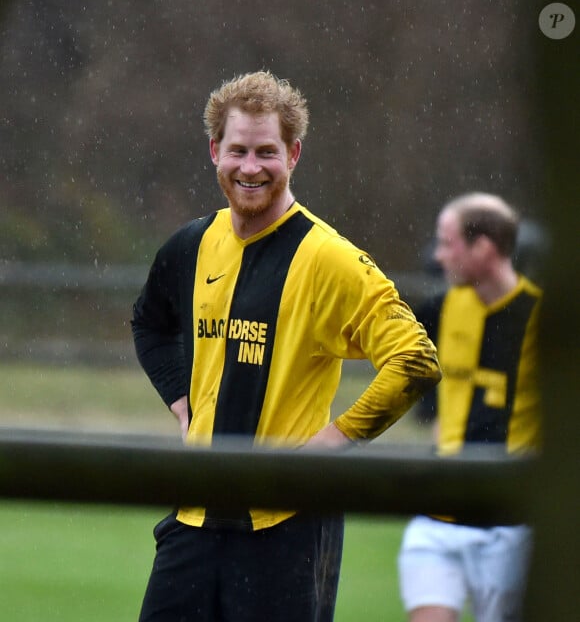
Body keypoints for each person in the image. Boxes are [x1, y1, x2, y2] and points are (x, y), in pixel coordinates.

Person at [131, 70, 441, 622]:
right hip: (194, 522)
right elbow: (150, 324)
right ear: (214, 152)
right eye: (239, 151)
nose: (251, 168)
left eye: (267, 152)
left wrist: (330, 444)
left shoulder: (329, 259)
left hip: (289, 528)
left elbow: (415, 360)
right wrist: (185, 406)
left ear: (294, 154)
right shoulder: (190, 244)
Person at [398, 193, 543, 622]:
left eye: (447, 243)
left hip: (510, 525)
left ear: (483, 249)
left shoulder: (545, 319)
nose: (439, 256)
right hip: (438, 516)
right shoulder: (439, 311)